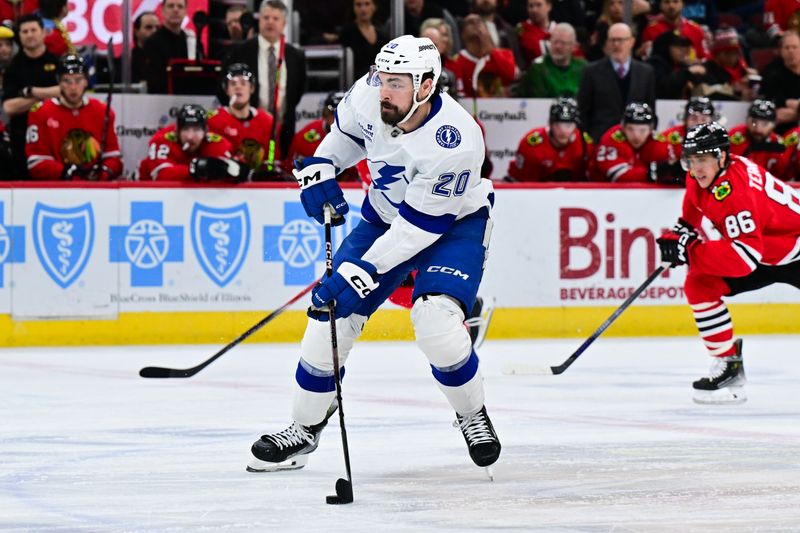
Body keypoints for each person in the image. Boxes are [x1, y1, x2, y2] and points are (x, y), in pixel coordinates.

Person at [247, 35, 501, 474]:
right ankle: (304, 429)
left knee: (435, 323)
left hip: (453, 224)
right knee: (327, 317)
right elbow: (345, 137)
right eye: (383, 78)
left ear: (425, 86)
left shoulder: (457, 140)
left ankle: (471, 413)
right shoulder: (369, 92)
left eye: (397, 83)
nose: (384, 89)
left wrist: (364, 270)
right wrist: (322, 167)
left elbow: (420, 229)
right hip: (385, 215)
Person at [656, 122, 800, 404]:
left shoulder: (735, 190)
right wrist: (682, 231)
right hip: (765, 249)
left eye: (703, 159)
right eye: (692, 159)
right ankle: (729, 366)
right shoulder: (702, 176)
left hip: (794, 248)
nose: (696, 167)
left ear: (722, 157)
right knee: (700, 284)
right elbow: (694, 204)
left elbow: (744, 260)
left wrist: (691, 249)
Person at [223, 0, 306, 158]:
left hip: (283, 128)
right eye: (266, 17)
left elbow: (299, 89)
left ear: (284, 24)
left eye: (275, 18)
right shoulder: (240, 51)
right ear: (259, 20)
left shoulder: (296, 55)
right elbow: (225, 87)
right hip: (247, 126)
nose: (270, 22)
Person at [25, 54, 122, 181]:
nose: (73, 87)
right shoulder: (40, 112)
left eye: (78, 80)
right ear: (58, 81)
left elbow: (114, 157)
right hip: (55, 191)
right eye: (67, 80)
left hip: (96, 191)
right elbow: (35, 162)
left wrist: (103, 172)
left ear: (87, 81)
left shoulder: (102, 111)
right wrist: (67, 172)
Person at [2, 14, 60, 180]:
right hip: (21, 138)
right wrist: (43, 96)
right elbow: (9, 108)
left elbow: (67, 91)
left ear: (43, 32)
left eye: (33, 30)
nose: (29, 34)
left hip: (54, 135)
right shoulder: (13, 67)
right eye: (24, 31)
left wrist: (32, 91)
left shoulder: (56, 62)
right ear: (19, 36)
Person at [578, 23, 656, 142]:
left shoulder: (646, 72)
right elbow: (583, 111)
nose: (616, 44)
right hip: (600, 140)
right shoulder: (591, 71)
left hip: (636, 141)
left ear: (632, 42)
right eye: (612, 40)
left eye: (620, 40)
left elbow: (650, 110)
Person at [139, 103, 248, 182]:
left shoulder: (219, 144)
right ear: (177, 131)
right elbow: (161, 175)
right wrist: (196, 169)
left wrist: (238, 171)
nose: (190, 136)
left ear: (206, 131)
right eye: (185, 129)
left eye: (196, 130)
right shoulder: (161, 140)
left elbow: (234, 172)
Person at [208, 63, 276, 180]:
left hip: (258, 183)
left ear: (252, 88)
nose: (238, 87)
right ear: (226, 90)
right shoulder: (213, 119)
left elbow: (272, 156)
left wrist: (268, 170)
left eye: (243, 83)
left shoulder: (267, 120)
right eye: (233, 84)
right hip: (224, 182)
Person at [507, 96, 592, 181]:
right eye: (557, 125)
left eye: (568, 125)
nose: (563, 131)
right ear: (550, 124)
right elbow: (524, 184)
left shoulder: (585, 144)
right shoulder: (532, 145)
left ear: (576, 126)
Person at [589, 102, 670, 182]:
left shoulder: (659, 142)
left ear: (651, 130)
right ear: (623, 128)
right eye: (630, 129)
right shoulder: (610, 139)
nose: (636, 136)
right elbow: (619, 176)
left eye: (642, 130)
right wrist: (653, 173)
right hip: (602, 193)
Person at [447, 14, 517, 98]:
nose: (476, 25)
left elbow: (510, 77)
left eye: (479, 22)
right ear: (463, 34)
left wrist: (490, 48)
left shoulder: (505, 55)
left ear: (487, 30)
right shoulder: (455, 62)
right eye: (470, 23)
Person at [513, 22, 585, 97]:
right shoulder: (538, 68)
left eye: (563, 43)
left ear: (574, 46)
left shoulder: (583, 68)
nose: (557, 46)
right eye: (554, 42)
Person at [141, 0, 195, 94]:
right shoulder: (152, 43)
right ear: (162, 10)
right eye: (171, 6)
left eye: (180, 6)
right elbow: (154, 81)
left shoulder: (191, 40)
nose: (175, 10)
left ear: (185, 11)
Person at [729, 99, 791, 178]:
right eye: (754, 122)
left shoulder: (779, 145)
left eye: (765, 124)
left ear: (775, 124)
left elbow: (783, 178)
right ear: (747, 119)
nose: (758, 129)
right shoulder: (735, 136)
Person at [640, 0, 708, 61]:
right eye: (667, 2)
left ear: (683, 4)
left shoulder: (696, 30)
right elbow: (647, 59)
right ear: (660, 5)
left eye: (675, 1)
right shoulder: (651, 30)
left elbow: (706, 57)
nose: (671, 6)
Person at [761, 30, 800, 133]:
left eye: (795, 47)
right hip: (782, 131)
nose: (791, 51)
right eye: (787, 48)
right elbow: (775, 113)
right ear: (780, 51)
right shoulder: (771, 73)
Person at [339, 0, 388, 79]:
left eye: (367, 4)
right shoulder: (348, 32)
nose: (363, 9)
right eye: (358, 5)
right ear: (353, 8)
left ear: (374, 7)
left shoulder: (382, 34)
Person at [661, 96, 717, 163]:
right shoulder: (670, 136)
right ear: (685, 119)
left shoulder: (718, 138)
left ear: (712, 121)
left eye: (703, 119)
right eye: (694, 119)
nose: (699, 123)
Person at [516, 0, 556, 65]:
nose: (534, 10)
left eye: (538, 5)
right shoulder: (521, 30)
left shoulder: (560, 31)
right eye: (531, 6)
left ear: (549, 6)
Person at [132, 11, 159, 83]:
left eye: (157, 27)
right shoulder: (128, 59)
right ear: (136, 32)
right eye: (148, 27)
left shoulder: (163, 56)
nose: (154, 31)